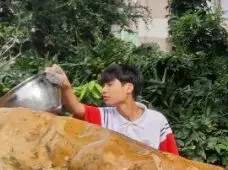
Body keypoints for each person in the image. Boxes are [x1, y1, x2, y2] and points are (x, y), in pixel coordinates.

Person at [46, 64, 178, 154]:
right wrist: (65, 86)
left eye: (109, 85)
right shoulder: (104, 116)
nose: (103, 90)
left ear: (129, 88)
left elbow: (173, 162)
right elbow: (76, 108)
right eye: (104, 85)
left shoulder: (157, 121)